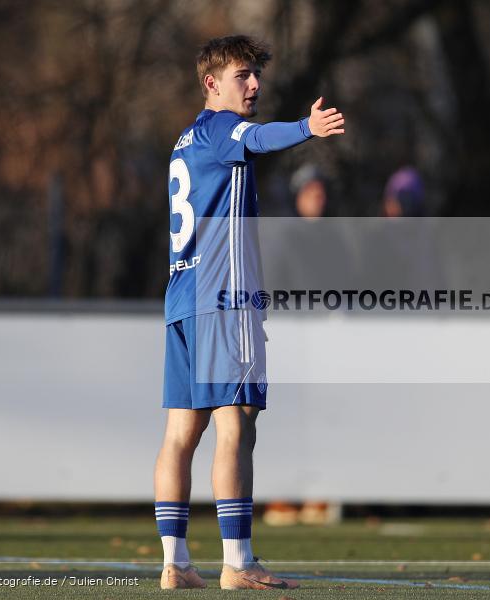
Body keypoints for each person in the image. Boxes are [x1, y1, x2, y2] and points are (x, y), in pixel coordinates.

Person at [154, 35, 344, 591]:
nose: (254, 84)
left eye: (256, 74)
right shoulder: (220, 130)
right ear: (211, 83)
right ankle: (238, 562)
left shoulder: (184, 140)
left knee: (180, 434)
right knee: (236, 425)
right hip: (221, 298)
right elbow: (259, 138)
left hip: (181, 301)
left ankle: (176, 563)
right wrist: (308, 128)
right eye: (243, 75)